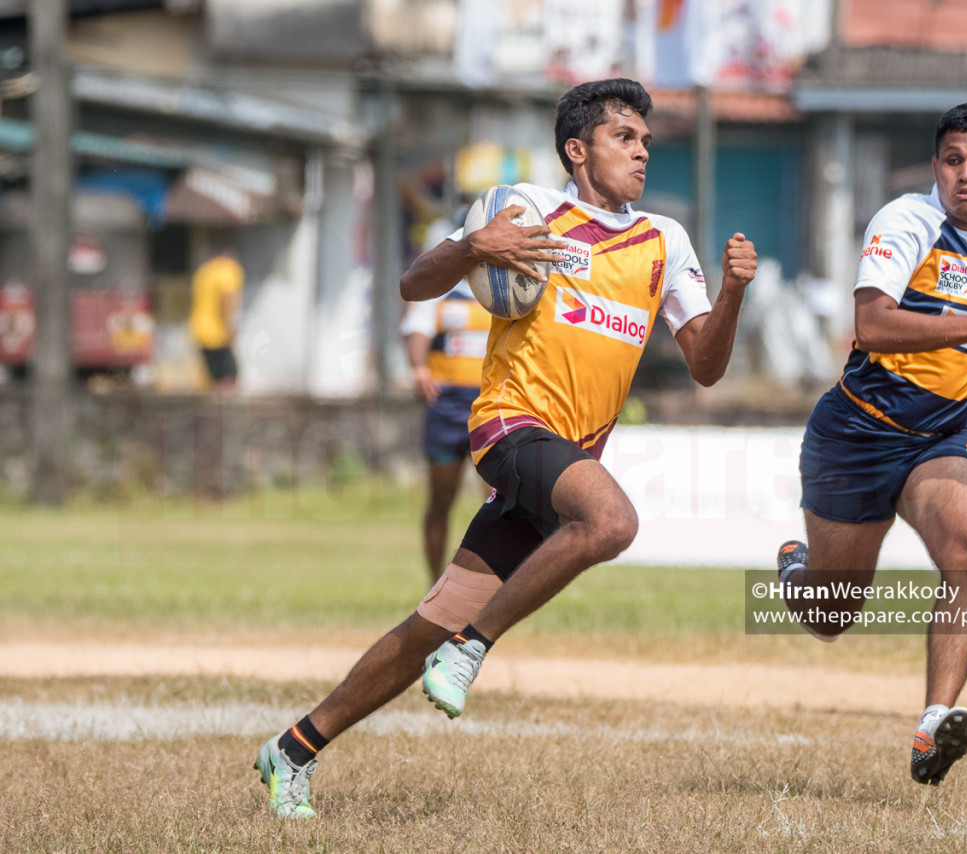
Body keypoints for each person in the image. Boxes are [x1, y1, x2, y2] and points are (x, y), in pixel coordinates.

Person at [253, 77, 757, 818]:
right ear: (577, 149)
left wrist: (735, 291)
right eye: (626, 138)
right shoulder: (524, 208)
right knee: (613, 524)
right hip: (509, 427)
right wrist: (470, 246)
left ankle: (293, 747)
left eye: (647, 140)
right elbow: (411, 285)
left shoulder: (664, 241)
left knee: (426, 623)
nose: (643, 152)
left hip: (565, 459)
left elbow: (706, 367)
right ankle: (472, 646)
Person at [775, 103, 967, 787]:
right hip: (857, 431)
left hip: (944, 430)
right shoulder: (905, 222)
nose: (966, 174)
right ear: (936, 168)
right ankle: (796, 571)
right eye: (954, 160)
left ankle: (934, 725)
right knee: (833, 615)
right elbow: (872, 326)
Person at [400, 215, 490, 582]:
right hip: (447, 403)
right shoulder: (440, 287)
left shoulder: (503, 288)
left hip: (490, 405)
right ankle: (433, 584)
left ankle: (490, 586)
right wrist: (420, 368)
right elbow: (417, 328)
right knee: (441, 500)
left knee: (498, 502)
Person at [187, 247, 244, 392]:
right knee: (229, 379)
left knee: (212, 380)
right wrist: (230, 328)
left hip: (200, 331)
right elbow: (226, 300)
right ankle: (226, 413)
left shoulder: (204, 271)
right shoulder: (226, 271)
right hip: (218, 334)